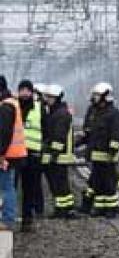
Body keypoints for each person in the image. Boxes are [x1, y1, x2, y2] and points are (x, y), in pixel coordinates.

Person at [80, 82, 119, 217]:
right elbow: (90, 132)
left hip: (107, 154)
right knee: (98, 182)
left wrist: (113, 150)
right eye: (94, 95)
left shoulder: (113, 113)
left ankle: (111, 208)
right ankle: (100, 207)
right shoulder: (95, 112)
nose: (94, 97)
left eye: (97, 95)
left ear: (105, 96)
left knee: (109, 184)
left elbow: (117, 134)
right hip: (96, 154)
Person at [39, 85, 76, 219]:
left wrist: (53, 153)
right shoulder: (55, 112)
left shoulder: (61, 114)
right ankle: (64, 209)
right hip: (57, 156)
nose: (46, 100)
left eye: (49, 97)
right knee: (58, 184)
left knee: (60, 185)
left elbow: (59, 137)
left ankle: (64, 210)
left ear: (56, 98)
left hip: (59, 156)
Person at [16, 81, 44, 231]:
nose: (25, 93)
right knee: (11, 188)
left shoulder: (40, 108)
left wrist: (43, 149)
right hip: (15, 154)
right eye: (22, 90)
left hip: (33, 154)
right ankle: (10, 217)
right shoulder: (13, 107)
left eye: (28, 90)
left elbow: (46, 129)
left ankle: (27, 219)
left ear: (32, 92)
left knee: (29, 189)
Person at [0, 76, 25, 231]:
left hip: (7, 155)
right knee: (6, 185)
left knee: (6, 186)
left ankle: (7, 220)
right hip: (11, 154)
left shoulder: (5, 107)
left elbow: (3, 133)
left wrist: (1, 155)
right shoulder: (10, 104)